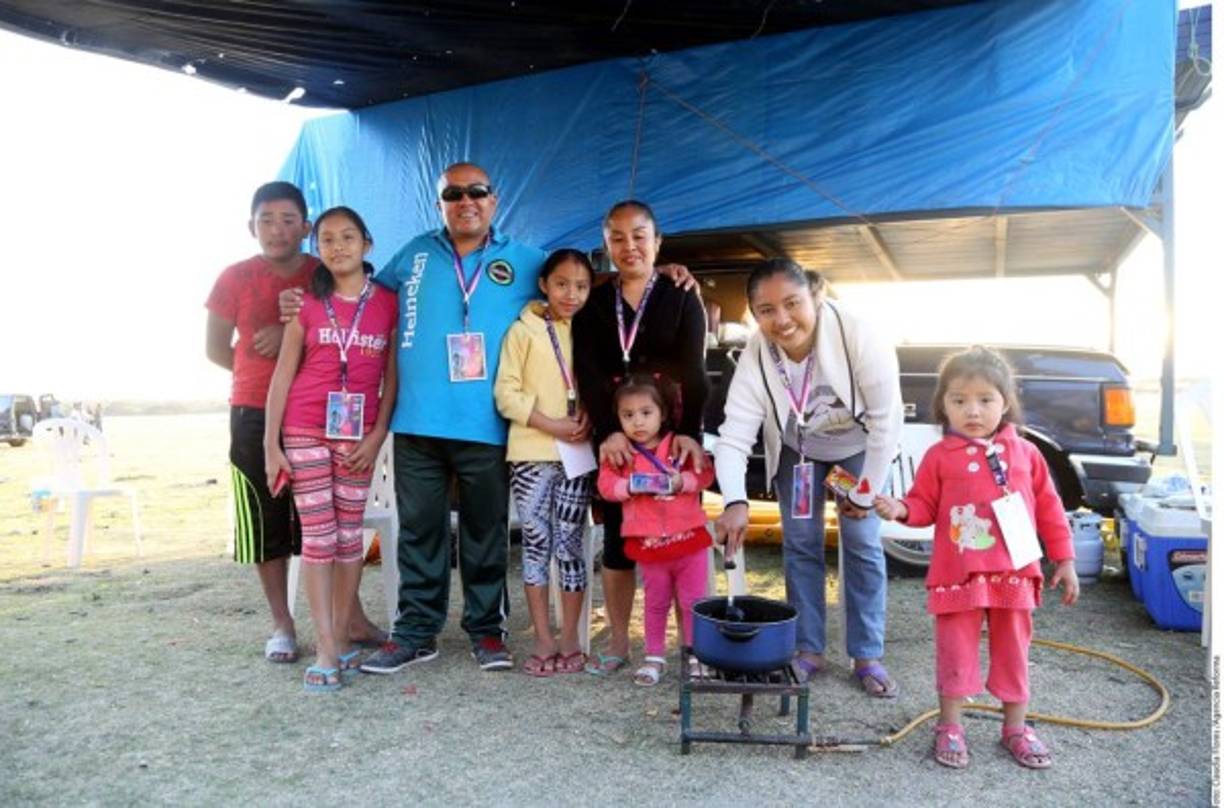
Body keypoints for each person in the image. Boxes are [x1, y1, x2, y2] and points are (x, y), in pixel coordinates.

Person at [873, 346, 1079, 769]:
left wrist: (1065, 559)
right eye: (959, 400)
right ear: (942, 405)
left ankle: (1016, 728)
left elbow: (1050, 509)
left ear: (1005, 403)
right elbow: (923, 505)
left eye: (985, 399)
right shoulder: (938, 457)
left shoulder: (1027, 454)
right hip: (957, 575)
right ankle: (950, 726)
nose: (973, 410)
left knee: (1013, 652)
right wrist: (900, 509)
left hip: (1014, 576)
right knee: (955, 652)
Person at [206, 182, 386, 664]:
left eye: (289, 220)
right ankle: (283, 624)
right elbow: (213, 347)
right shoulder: (233, 277)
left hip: (326, 416)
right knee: (267, 520)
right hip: (256, 408)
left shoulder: (323, 271)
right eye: (266, 219)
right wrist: (254, 359)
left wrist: (292, 340)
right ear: (251, 226)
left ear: (307, 228)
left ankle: (349, 618)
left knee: (326, 527)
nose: (277, 229)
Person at [713, 258, 902, 694]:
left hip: (858, 448)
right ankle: (808, 649)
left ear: (815, 297)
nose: (781, 320)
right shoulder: (757, 355)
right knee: (800, 544)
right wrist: (735, 501)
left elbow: (886, 422)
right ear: (753, 314)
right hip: (799, 452)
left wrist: (868, 489)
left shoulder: (859, 333)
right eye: (766, 310)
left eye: (792, 303)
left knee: (862, 543)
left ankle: (867, 655)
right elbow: (734, 434)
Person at [263, 206, 398, 692]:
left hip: (359, 438)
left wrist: (377, 434)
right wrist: (270, 445)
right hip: (305, 430)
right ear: (316, 249)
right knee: (319, 540)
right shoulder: (307, 305)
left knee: (348, 541)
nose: (337, 247)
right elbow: (283, 375)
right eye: (326, 240)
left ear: (367, 243)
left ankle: (340, 638)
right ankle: (325, 650)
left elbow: (391, 378)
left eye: (347, 237)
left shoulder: (388, 302)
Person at [573, 200, 709, 676]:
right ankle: (618, 640)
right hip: (617, 437)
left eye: (639, 235)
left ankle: (690, 645)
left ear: (658, 241)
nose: (629, 246)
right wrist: (609, 431)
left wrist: (689, 433)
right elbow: (587, 372)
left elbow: (695, 370)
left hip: (672, 436)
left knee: (678, 530)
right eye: (617, 238)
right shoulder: (593, 300)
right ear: (606, 244)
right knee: (617, 536)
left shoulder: (681, 292)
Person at [493, 248, 595, 677]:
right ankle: (542, 637)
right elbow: (506, 394)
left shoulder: (592, 329)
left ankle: (570, 635)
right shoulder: (522, 331)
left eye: (581, 286)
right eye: (561, 284)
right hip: (533, 455)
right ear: (543, 285)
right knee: (537, 544)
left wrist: (591, 410)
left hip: (578, 454)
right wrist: (550, 423)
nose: (570, 294)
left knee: (571, 545)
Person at [596, 375, 714, 686]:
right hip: (649, 545)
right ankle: (654, 657)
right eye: (628, 415)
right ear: (618, 418)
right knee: (655, 601)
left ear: (662, 413)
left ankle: (695, 655)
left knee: (693, 602)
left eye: (646, 413)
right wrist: (629, 486)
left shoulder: (678, 444)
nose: (638, 422)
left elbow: (704, 474)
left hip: (689, 542)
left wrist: (682, 482)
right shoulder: (621, 454)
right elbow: (605, 486)